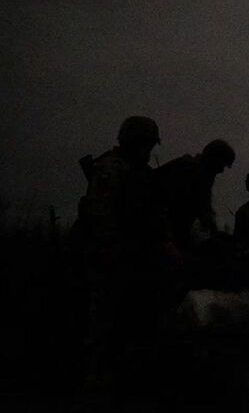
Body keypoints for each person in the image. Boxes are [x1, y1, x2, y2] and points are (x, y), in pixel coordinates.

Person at [76, 116, 176, 392]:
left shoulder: (138, 171)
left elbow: (152, 214)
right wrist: (113, 249)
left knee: (134, 325)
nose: (148, 150)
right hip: (112, 260)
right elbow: (101, 216)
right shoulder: (111, 168)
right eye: (145, 144)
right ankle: (98, 387)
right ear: (133, 142)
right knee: (104, 328)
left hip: (134, 260)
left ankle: (126, 383)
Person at [157, 139, 235, 250]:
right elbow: (171, 207)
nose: (221, 171)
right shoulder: (186, 169)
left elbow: (204, 207)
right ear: (213, 160)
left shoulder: (204, 176)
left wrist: (214, 231)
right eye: (221, 165)